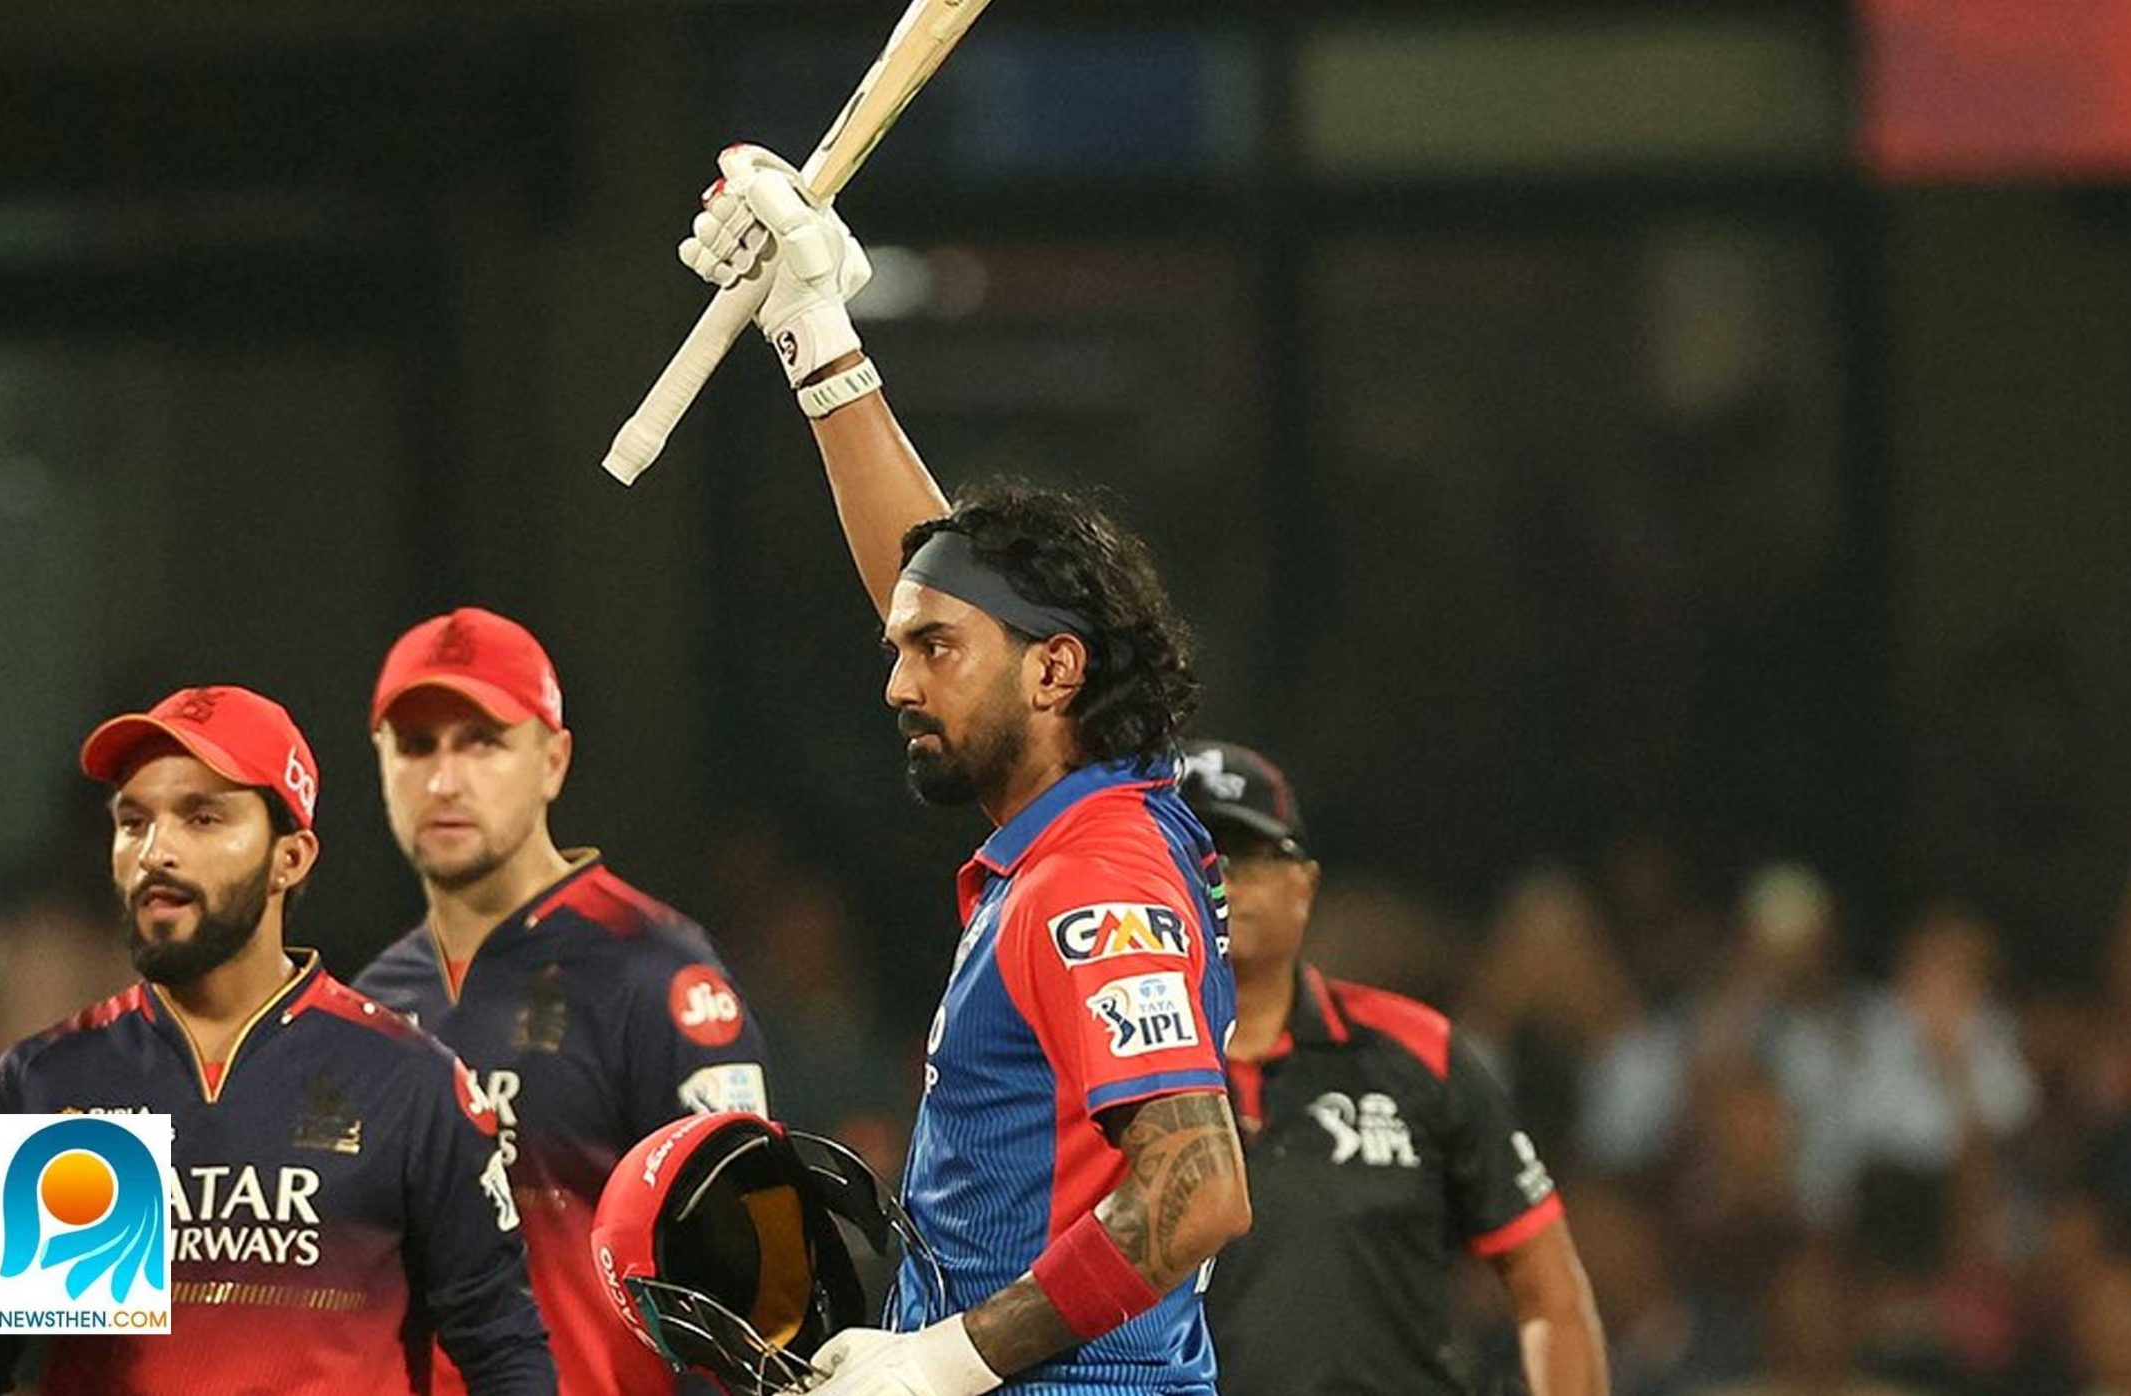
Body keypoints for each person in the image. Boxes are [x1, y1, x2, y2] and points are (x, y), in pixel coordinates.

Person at [675, 144, 1252, 1396]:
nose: (896, 684)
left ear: (1054, 671)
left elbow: (1198, 1184)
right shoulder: (1097, 812)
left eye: (929, 653)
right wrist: (814, 331)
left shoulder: (1093, 880)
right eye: (900, 649)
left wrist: (945, 1362)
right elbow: (939, 578)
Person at [0, 684, 554, 1395]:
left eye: (203, 818)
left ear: (290, 858)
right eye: (134, 822)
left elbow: (502, 1353)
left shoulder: (403, 1082)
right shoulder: (59, 1084)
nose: (157, 851)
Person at [350, 607, 771, 1395]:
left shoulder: (654, 973)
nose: (444, 780)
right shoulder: (369, 1003)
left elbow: (747, 1283)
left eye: (482, 742)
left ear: (553, 761)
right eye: (416, 745)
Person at [1174, 739, 1608, 1396]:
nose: (1222, 879)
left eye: (1251, 855)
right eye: (1195, 855)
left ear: (1305, 884)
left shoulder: (1416, 1052)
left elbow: (1548, 1290)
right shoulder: (1112, 1066)